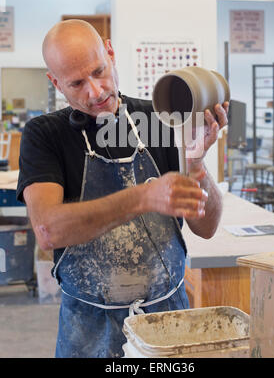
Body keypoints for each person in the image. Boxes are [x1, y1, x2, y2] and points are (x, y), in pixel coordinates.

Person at [17, 20, 229, 358]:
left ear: (110, 53)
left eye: (99, 71)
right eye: (76, 83)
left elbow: (207, 227)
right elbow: (47, 230)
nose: (95, 92)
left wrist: (197, 164)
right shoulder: (45, 136)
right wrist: (143, 196)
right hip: (89, 328)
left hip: (168, 319)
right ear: (55, 83)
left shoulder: (158, 119)